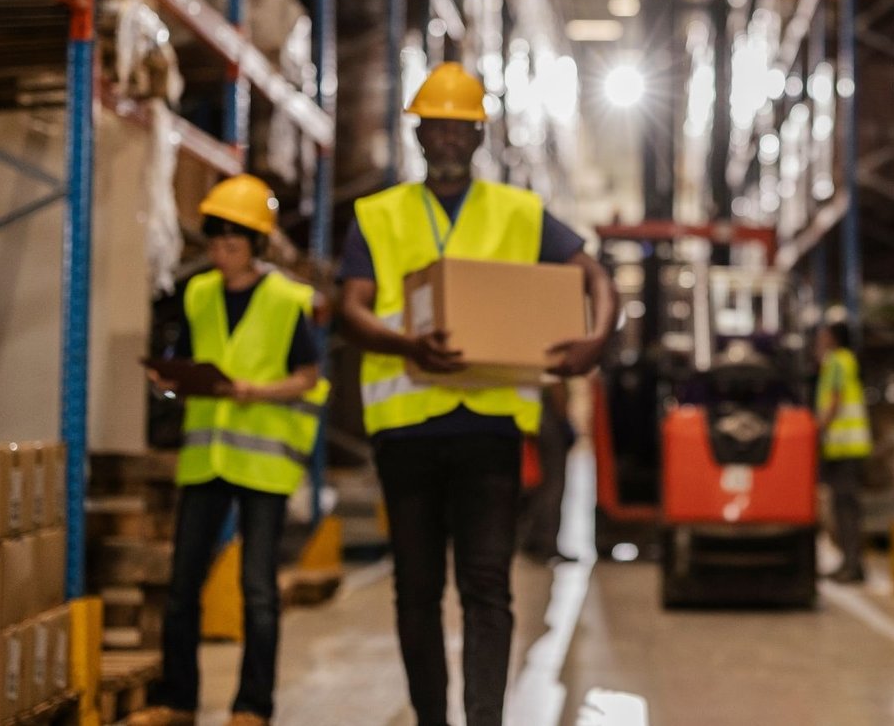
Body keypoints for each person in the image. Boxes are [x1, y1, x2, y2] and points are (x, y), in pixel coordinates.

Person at [337, 62, 617, 726]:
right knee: (417, 591)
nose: (449, 139)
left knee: (487, 587)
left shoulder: (519, 212)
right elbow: (348, 308)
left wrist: (595, 338)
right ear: (419, 132)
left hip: (488, 426)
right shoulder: (379, 216)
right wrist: (407, 345)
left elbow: (593, 274)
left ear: (480, 136)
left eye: (463, 128)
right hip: (406, 429)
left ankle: (485, 720)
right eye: (437, 126)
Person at [133, 175, 327, 726]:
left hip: (262, 463)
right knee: (182, 584)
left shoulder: (287, 298)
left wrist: (253, 391)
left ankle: (252, 706)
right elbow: (191, 363)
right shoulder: (197, 294)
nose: (220, 252)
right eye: (214, 242)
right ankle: (178, 700)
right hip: (206, 458)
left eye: (232, 243)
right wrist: (169, 382)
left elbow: (308, 377)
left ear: (258, 245)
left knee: (258, 591)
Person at [814, 321, 869, 583]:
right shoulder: (847, 360)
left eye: (824, 335)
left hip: (844, 447)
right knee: (845, 508)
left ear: (834, 338)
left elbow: (834, 401)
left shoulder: (836, 361)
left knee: (846, 509)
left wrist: (815, 429)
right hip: (849, 447)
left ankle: (853, 565)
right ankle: (849, 562)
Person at [519, 379, 577, 565]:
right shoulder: (551, 355)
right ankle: (545, 543)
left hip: (532, 416)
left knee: (538, 484)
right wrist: (564, 421)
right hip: (548, 420)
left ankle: (532, 540)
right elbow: (556, 382)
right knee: (553, 484)